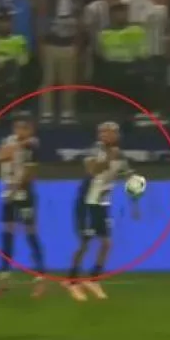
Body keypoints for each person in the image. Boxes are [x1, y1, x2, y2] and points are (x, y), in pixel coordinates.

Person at [64, 122, 136, 302]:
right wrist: (109, 158)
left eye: (112, 132)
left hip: (102, 203)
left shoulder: (120, 155)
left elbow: (128, 176)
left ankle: (93, 279)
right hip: (87, 202)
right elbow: (93, 170)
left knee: (106, 243)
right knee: (84, 242)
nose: (107, 135)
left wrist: (135, 187)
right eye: (104, 132)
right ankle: (71, 281)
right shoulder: (93, 151)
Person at [0, 113, 45, 298]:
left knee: (31, 234)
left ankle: (40, 280)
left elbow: (30, 173)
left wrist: (15, 189)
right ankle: (4, 279)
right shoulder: (10, 142)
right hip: (8, 193)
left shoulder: (32, 146)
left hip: (24, 195)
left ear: (31, 130)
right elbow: (1, 156)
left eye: (25, 128)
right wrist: (17, 146)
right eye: (18, 127)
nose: (21, 131)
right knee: (7, 236)